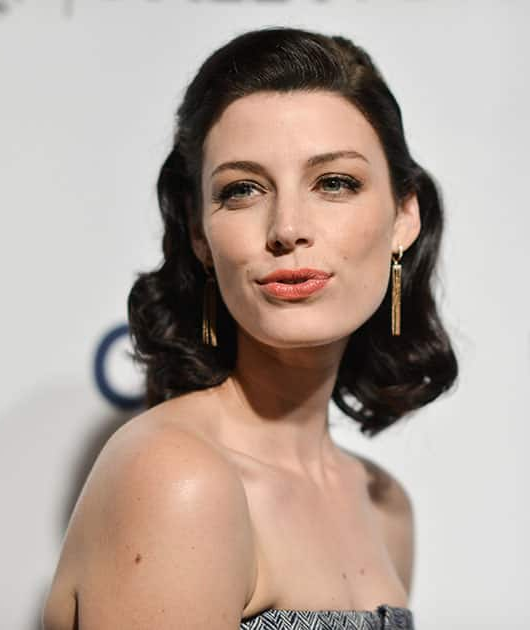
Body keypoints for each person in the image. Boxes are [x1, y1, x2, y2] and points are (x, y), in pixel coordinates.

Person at [42, 26, 457, 630]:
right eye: (242, 190)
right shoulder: (176, 478)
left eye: (334, 183)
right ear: (198, 235)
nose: (287, 227)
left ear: (403, 216)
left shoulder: (384, 507)